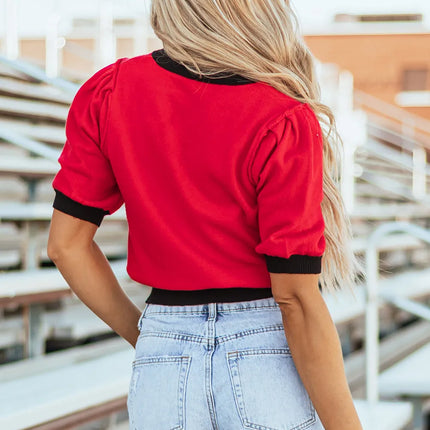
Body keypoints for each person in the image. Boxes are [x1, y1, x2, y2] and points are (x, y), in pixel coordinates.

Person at [47, 0, 365, 429]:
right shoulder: (282, 116)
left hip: (164, 354)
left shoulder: (110, 91)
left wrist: (149, 336)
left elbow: (66, 246)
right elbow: (295, 299)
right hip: (261, 350)